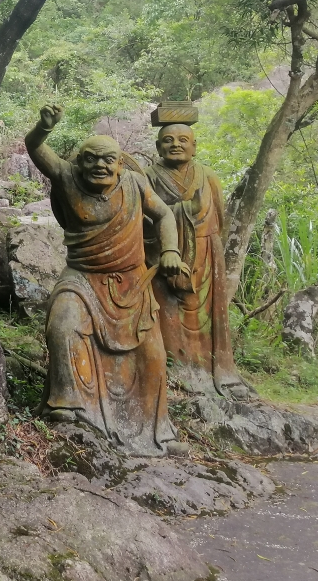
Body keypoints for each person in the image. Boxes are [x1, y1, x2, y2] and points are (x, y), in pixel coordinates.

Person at [26, 104, 185, 456]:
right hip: (82, 279)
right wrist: (43, 128)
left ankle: (159, 429)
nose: (100, 165)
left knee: (153, 355)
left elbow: (163, 215)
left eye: (108, 159)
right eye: (92, 159)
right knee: (63, 325)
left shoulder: (134, 183)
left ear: (119, 163)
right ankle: (68, 406)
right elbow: (36, 148)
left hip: (131, 285)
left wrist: (171, 251)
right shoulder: (66, 178)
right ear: (79, 162)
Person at [147, 124, 253, 398]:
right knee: (167, 314)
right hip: (164, 256)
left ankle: (212, 368)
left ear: (195, 146)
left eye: (184, 140)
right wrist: (185, 211)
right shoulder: (148, 177)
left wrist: (214, 250)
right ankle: (176, 370)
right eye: (168, 140)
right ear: (158, 147)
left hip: (207, 253)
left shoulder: (208, 176)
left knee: (209, 317)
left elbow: (220, 217)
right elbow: (144, 220)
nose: (176, 145)